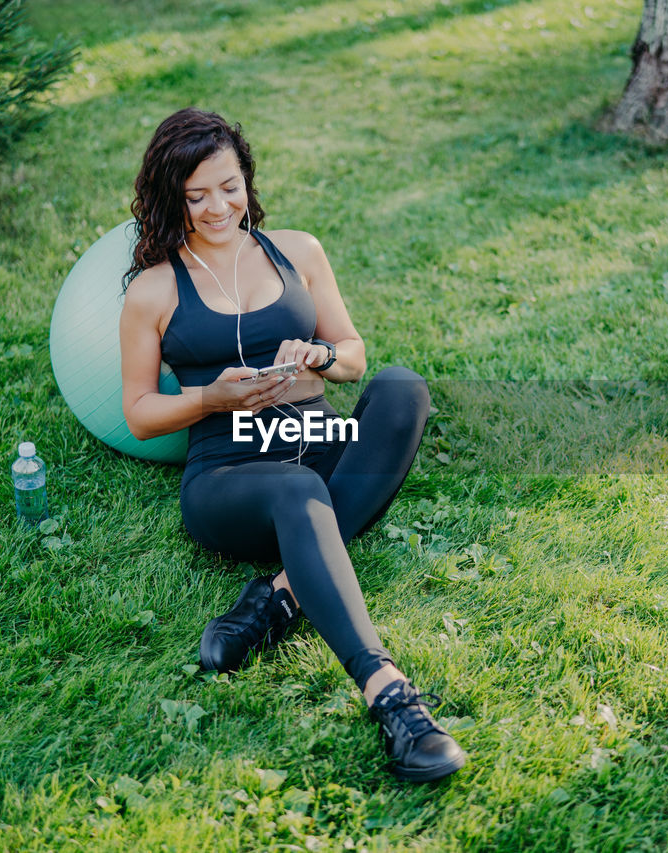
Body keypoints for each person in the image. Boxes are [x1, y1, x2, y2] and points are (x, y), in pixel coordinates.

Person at [118, 107, 466, 783]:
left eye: (228, 186)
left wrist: (322, 355)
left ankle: (274, 597)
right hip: (228, 473)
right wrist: (211, 398)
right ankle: (390, 694)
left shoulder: (298, 250)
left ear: (246, 176)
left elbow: (356, 356)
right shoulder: (154, 289)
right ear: (172, 198)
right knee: (296, 489)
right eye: (196, 196)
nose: (218, 207)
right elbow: (138, 413)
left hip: (313, 436)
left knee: (401, 387)